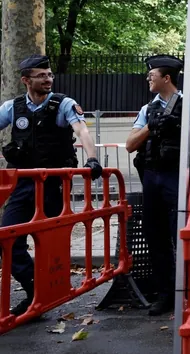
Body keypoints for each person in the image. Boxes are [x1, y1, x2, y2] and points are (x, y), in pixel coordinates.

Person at [0, 55, 102, 316]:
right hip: (24, 185)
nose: (48, 79)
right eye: (41, 75)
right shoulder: (14, 107)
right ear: (26, 80)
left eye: (49, 75)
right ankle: (36, 290)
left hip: (54, 185)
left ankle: (48, 291)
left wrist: (91, 159)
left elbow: (82, 130)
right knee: (7, 239)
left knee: (49, 242)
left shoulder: (62, 104)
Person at [125, 55, 190, 316]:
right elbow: (130, 145)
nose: (147, 79)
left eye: (151, 75)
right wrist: (150, 128)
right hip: (152, 177)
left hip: (178, 177)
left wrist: (184, 125)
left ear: (166, 78)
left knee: (184, 236)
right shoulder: (147, 109)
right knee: (156, 237)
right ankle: (165, 295)